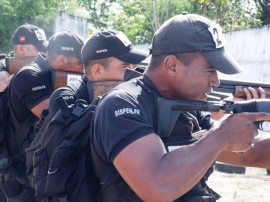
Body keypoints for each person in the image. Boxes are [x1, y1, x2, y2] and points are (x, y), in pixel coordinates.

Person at [92, 12, 270, 201]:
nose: (216, 81)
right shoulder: (122, 103)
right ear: (172, 65)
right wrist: (223, 135)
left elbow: (250, 154)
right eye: (210, 70)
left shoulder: (185, 109)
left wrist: (232, 132)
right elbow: (158, 187)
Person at [5, 30, 84, 202]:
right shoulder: (30, 76)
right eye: (81, 64)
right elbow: (60, 116)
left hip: (44, 171)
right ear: (63, 59)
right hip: (25, 177)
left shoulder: (52, 76)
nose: (83, 70)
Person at [48, 30, 148, 116]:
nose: (134, 73)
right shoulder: (68, 97)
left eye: (135, 66)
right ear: (97, 71)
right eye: (125, 66)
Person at [0, 23, 48, 93]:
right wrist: (27, 73)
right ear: (21, 49)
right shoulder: (3, 64)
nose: (46, 53)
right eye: (39, 49)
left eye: (46, 49)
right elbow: (3, 84)